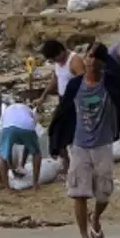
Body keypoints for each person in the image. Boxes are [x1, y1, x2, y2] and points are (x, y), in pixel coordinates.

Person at [50, 42, 120, 238]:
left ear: (103, 63)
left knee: (103, 194)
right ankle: (84, 237)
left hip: (103, 144)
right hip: (79, 145)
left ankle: (95, 217)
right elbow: (63, 110)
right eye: (89, 56)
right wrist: (58, 139)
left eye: (95, 57)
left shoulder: (110, 83)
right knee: (79, 193)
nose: (90, 60)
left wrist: (117, 122)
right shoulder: (75, 85)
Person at [34, 39, 85, 174]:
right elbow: (55, 81)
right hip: (63, 101)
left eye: (56, 57)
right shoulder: (58, 64)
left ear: (62, 51)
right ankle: (66, 161)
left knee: (74, 133)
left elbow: (84, 82)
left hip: (76, 101)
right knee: (54, 131)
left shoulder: (75, 61)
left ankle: (81, 163)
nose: (56, 61)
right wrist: (43, 97)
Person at [0, 100, 42, 192]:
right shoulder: (27, 109)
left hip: (8, 127)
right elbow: (29, 144)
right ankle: (35, 184)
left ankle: (6, 187)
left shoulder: (7, 110)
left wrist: (15, 166)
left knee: (2, 155)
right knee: (36, 153)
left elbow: (7, 153)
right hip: (27, 126)